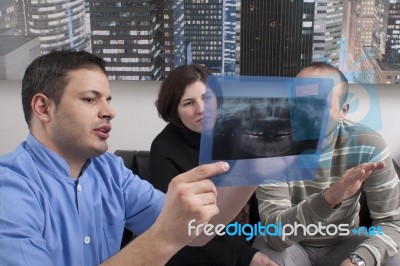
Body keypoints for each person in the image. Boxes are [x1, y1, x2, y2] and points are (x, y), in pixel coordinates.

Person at [0, 50, 232, 266]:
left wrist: (254, 166)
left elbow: (196, 232)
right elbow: (171, 233)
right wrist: (164, 237)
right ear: (43, 107)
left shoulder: (111, 170)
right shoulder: (10, 190)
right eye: (90, 99)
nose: (110, 112)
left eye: (108, 100)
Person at [252, 62, 400, 266]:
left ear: (343, 111)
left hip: (345, 242)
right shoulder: (270, 147)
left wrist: (358, 261)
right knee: (264, 256)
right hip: (291, 245)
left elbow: (392, 223)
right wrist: (330, 197)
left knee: (393, 256)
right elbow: (275, 236)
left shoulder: (369, 145)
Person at [149, 64, 277, 265]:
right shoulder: (163, 148)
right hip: (195, 248)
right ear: (174, 110)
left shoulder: (237, 131)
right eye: (188, 103)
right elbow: (181, 227)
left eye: (206, 98)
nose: (201, 110)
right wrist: (245, 255)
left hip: (245, 236)